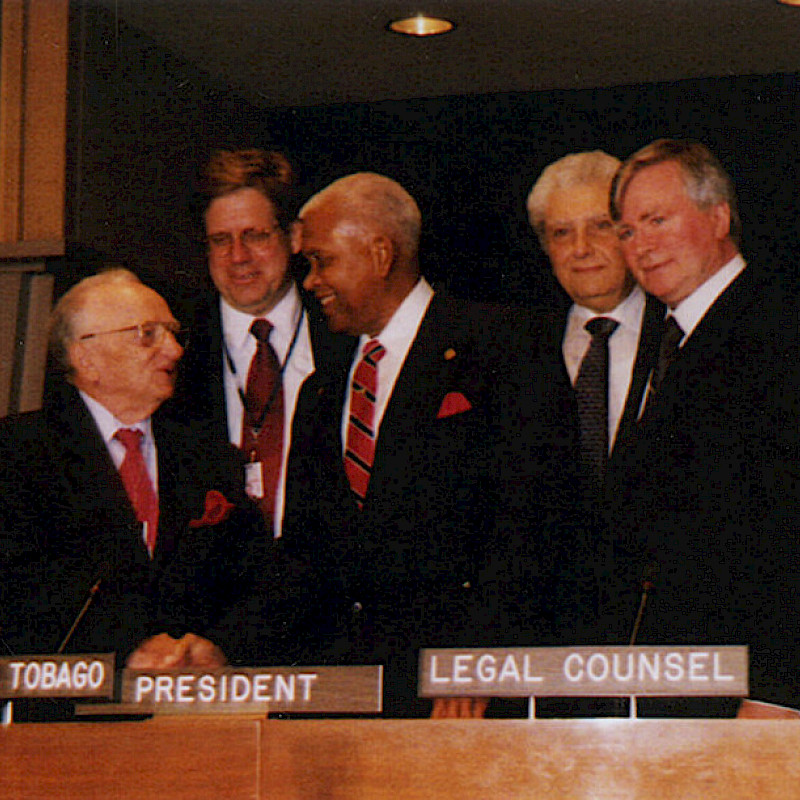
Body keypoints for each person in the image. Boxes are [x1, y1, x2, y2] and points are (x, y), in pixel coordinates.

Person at [282, 172, 590, 717]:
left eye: (321, 260)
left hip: (466, 700)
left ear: (380, 253)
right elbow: (304, 557)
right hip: (342, 705)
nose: (309, 281)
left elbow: (535, 521)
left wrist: (480, 658)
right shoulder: (321, 390)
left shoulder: (504, 346)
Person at [606, 139, 800, 712]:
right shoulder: (666, 342)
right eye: (627, 231)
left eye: (657, 220)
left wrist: (780, 690)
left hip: (752, 698)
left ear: (718, 218)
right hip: (671, 689)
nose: (641, 245)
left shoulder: (778, 327)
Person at [0, 269, 268, 679]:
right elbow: (21, 592)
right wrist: (131, 650)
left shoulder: (212, 460)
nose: (175, 350)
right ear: (84, 357)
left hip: (194, 711)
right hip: (63, 720)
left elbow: (257, 584)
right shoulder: (17, 454)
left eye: (174, 333)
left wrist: (214, 647)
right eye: (148, 334)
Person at [172, 149, 349, 535]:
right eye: (221, 240)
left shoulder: (345, 338)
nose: (238, 256)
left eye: (255, 236)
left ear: (294, 236)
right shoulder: (174, 348)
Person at [527, 151, 664, 493]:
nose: (581, 248)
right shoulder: (517, 345)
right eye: (561, 233)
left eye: (601, 226)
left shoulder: (677, 333)